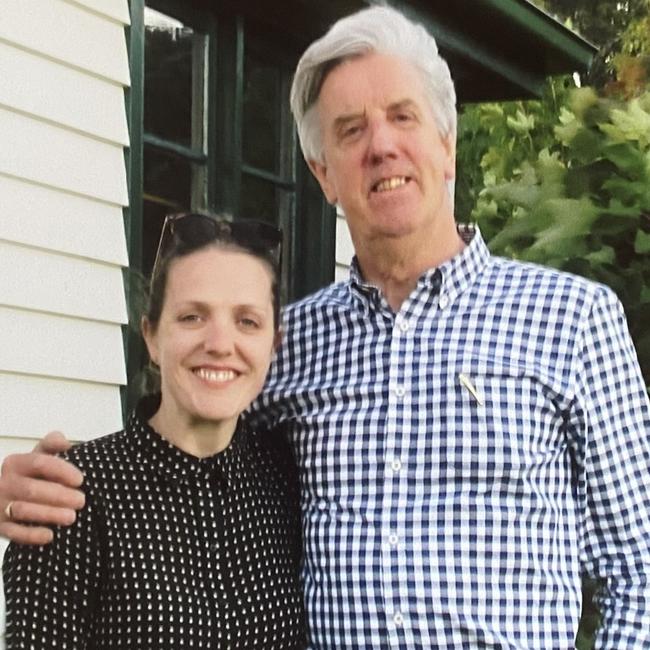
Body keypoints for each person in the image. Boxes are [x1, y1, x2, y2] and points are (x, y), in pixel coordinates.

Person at [2, 5, 650, 648]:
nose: (381, 146)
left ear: (446, 144)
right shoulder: (290, 344)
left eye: (403, 116)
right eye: (350, 130)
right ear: (323, 174)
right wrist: (48, 489)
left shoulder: (572, 322)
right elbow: (185, 445)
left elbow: (638, 570)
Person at [3, 213, 305, 648]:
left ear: (273, 345)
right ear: (151, 336)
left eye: (247, 321)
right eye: (192, 317)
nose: (220, 343)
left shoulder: (285, 479)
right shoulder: (74, 495)